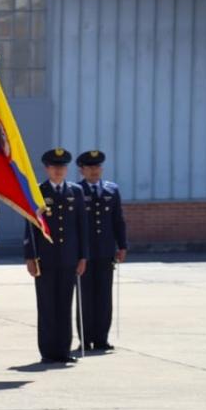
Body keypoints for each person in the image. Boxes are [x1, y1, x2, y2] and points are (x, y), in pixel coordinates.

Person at [25, 148, 89, 363]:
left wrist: (83, 257)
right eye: (54, 166)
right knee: (47, 306)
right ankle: (47, 351)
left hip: (69, 258)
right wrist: (30, 257)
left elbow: (82, 226)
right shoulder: (38, 191)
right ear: (47, 168)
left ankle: (63, 351)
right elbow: (31, 227)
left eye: (62, 166)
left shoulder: (75, 191)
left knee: (64, 304)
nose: (58, 170)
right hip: (45, 259)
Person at [75, 150, 128, 351]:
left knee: (104, 296)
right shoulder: (76, 191)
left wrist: (122, 245)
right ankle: (85, 339)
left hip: (106, 251)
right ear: (82, 170)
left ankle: (101, 338)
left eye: (97, 167)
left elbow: (118, 220)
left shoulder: (111, 190)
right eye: (89, 167)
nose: (94, 171)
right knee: (86, 297)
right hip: (85, 254)